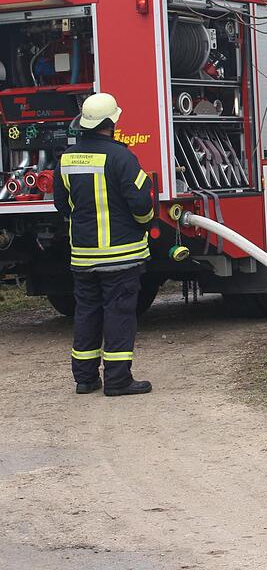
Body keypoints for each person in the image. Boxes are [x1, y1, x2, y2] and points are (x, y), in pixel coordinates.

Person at [53, 93, 155, 396]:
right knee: (119, 313)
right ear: (111, 122)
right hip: (122, 255)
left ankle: (85, 378)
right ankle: (118, 380)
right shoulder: (122, 157)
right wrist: (145, 223)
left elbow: (62, 205)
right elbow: (141, 203)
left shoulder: (67, 158)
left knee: (86, 312)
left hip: (83, 256)